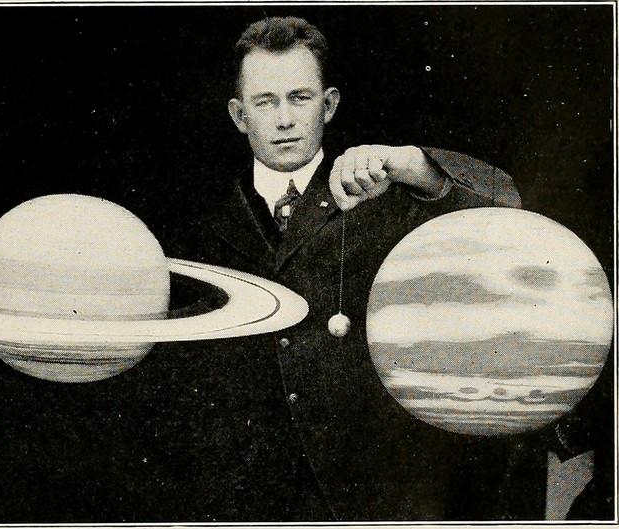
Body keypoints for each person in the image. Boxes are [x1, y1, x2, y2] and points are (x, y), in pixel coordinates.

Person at [128, 15, 592, 522]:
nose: (284, 119)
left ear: (328, 105)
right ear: (239, 116)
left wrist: (412, 164)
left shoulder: (381, 190)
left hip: (368, 492)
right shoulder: (198, 220)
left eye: (300, 98)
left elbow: (504, 206)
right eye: (265, 102)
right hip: (247, 496)